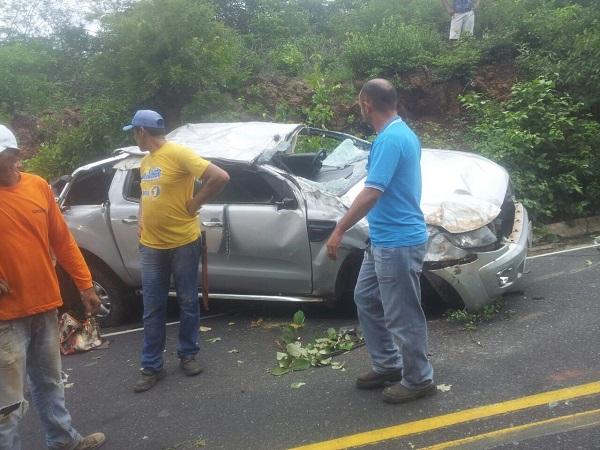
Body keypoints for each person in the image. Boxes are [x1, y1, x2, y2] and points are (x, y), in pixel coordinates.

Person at [325, 80, 435, 404]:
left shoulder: (390, 139)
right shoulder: (399, 133)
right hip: (384, 239)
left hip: (398, 242)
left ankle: (419, 379)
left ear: (367, 104)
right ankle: (389, 364)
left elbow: (372, 191)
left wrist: (338, 229)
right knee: (367, 299)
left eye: (360, 102)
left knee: (402, 314)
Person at [0, 124, 106, 449]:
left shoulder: (38, 187)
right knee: (7, 405)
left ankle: (63, 440)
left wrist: (85, 285)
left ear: (15, 155)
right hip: (5, 319)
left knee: (49, 383)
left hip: (45, 305)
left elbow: (62, 240)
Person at [123, 110, 229, 393]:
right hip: (151, 246)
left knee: (187, 301)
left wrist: (194, 204)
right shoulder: (145, 163)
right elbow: (147, 195)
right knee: (152, 307)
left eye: (133, 133)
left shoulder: (179, 153)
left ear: (142, 132)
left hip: (183, 242)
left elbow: (219, 176)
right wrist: (142, 217)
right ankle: (151, 366)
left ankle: (188, 355)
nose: (134, 138)